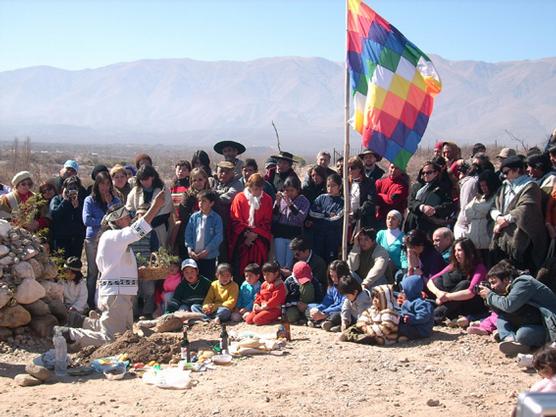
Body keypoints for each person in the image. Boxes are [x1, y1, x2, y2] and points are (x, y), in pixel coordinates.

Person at [61, 190, 167, 348]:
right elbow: (136, 231)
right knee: (114, 339)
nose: (129, 220)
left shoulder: (118, 242)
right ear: (115, 221)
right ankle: (69, 335)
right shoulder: (111, 237)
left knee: (124, 335)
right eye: (125, 218)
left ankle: (80, 321)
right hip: (117, 295)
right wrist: (155, 206)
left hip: (120, 295)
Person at [479, 260, 556, 356]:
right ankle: (510, 339)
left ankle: (518, 340)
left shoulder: (524, 283)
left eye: (494, 282)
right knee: (501, 318)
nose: (492, 287)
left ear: (506, 279)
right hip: (533, 320)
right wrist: (488, 299)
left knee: (523, 334)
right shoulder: (511, 287)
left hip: (548, 326)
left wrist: (490, 295)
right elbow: (502, 311)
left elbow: (509, 306)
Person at [490, 156, 548, 274]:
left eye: (506, 172)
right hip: (502, 240)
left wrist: (505, 220)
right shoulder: (504, 187)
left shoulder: (531, 186)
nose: (504, 175)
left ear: (516, 170)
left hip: (522, 241)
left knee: (522, 274)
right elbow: (493, 206)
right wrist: (498, 217)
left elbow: (526, 209)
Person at [426, 237, 487, 326]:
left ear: (468, 252)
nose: (456, 254)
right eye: (455, 251)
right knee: (438, 281)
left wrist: (446, 297)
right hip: (452, 303)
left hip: (470, 304)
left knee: (465, 284)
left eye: (459, 250)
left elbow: (470, 292)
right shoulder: (453, 266)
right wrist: (439, 293)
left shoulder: (479, 268)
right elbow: (430, 281)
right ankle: (441, 313)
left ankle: (436, 315)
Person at [82, 172, 121, 309]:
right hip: (93, 239)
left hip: (110, 240)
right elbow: (87, 220)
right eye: (102, 184)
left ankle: (106, 303)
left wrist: (110, 204)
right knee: (93, 272)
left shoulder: (115, 200)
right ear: (96, 185)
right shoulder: (89, 200)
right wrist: (104, 221)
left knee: (107, 272)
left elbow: (119, 218)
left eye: (107, 184)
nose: (105, 187)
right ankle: (89, 303)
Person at [228, 173, 273, 279]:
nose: (256, 192)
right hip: (242, 238)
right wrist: (246, 234)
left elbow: (267, 221)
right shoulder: (239, 198)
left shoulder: (267, 199)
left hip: (259, 238)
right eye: (253, 188)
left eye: (259, 189)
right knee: (241, 266)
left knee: (258, 263)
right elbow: (235, 219)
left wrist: (255, 233)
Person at [126, 165, 174, 251]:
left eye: (146, 179)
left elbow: (165, 214)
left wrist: (148, 224)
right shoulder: (135, 191)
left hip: (158, 228)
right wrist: (139, 222)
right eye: (141, 180)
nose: (144, 182)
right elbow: (129, 210)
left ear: (153, 177)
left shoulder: (164, 191)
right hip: (138, 229)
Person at [404, 161, 454, 237]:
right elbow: (410, 202)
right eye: (423, 173)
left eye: (428, 172)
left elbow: (449, 205)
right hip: (412, 223)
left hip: (430, 226)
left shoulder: (443, 188)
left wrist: (434, 210)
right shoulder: (417, 186)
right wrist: (421, 207)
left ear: (436, 173)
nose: (425, 175)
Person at [463, 169, 502, 263]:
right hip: (475, 242)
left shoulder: (498, 196)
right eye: (481, 186)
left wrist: (476, 208)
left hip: (488, 241)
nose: (484, 188)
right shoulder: (479, 197)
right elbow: (467, 211)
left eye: (485, 185)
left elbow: (488, 209)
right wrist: (480, 210)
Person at [184, 189, 223, 280]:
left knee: (208, 279)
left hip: (209, 256)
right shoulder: (194, 217)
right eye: (199, 201)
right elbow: (188, 234)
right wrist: (190, 249)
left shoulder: (216, 218)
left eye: (204, 201)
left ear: (211, 203)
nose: (200, 203)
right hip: (195, 255)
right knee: (194, 279)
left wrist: (207, 250)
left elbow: (218, 236)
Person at [272, 176, 310, 269]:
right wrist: (277, 203)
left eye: (292, 190)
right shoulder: (282, 199)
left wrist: (291, 205)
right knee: (279, 263)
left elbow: (300, 218)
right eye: (287, 190)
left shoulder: (304, 201)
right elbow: (275, 217)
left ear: (297, 190)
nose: (289, 193)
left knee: (289, 264)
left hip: (293, 236)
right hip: (280, 234)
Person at [175, 167, 211, 260]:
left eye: (200, 179)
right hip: (189, 234)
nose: (197, 182)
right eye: (194, 180)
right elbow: (183, 215)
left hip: (207, 236)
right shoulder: (187, 195)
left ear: (205, 180)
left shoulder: (211, 195)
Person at [308, 173, 344, 263]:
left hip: (332, 238)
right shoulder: (321, 198)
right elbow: (312, 213)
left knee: (331, 262)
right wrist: (326, 214)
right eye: (328, 186)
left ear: (339, 186)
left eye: (333, 186)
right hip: (318, 237)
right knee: (317, 261)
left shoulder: (343, 202)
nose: (330, 188)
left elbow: (336, 220)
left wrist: (320, 218)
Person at [306, 260, 349, 332]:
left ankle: (324, 322)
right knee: (310, 308)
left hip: (342, 311)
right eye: (332, 276)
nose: (334, 279)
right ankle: (322, 321)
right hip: (329, 310)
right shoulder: (332, 286)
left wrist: (325, 313)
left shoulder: (348, 285)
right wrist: (317, 310)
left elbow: (343, 306)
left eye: (337, 276)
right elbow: (326, 302)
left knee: (337, 315)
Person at [214, 160, 244, 261]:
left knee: (223, 252)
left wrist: (212, 196)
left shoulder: (237, 184)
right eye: (221, 171)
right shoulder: (213, 182)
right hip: (211, 222)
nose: (223, 174)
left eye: (227, 172)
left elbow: (228, 197)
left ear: (232, 173)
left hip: (227, 225)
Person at [50, 176, 86, 258]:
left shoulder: (81, 202)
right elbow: (54, 215)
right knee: (61, 266)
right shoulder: (57, 199)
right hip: (61, 239)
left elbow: (83, 220)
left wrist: (77, 208)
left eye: (74, 188)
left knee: (74, 266)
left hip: (76, 240)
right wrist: (65, 201)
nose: (72, 190)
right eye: (69, 188)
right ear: (64, 188)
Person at [245, 261, 286, 325]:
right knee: (248, 320)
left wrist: (264, 307)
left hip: (274, 308)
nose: (265, 277)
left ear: (276, 274)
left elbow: (276, 299)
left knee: (257, 320)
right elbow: (259, 295)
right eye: (264, 274)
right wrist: (256, 303)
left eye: (268, 274)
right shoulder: (264, 284)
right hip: (263, 307)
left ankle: (273, 319)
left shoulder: (279, 285)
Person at [398, 275, 434, 340]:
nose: (402, 292)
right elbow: (403, 312)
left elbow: (424, 317)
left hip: (421, 329)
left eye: (404, 290)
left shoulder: (421, 303)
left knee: (401, 329)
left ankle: (400, 337)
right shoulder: (407, 301)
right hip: (411, 324)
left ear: (411, 289)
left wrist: (412, 319)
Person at [347, 156, 377, 230]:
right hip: (347, 220)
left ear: (359, 168)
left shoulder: (369, 182)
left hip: (363, 220)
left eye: (353, 168)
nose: (350, 170)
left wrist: (356, 214)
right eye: (348, 168)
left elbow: (370, 202)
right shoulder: (346, 183)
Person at [375, 163, 409, 229]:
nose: (393, 170)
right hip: (380, 218)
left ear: (401, 170)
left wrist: (379, 195)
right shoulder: (380, 182)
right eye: (392, 167)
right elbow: (374, 198)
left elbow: (392, 200)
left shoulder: (403, 185)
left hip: (395, 220)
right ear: (389, 168)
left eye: (397, 168)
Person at [376, 210, 405, 274]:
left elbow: (404, 257)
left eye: (393, 219)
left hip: (397, 270)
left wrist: (404, 269)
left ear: (399, 222)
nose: (390, 221)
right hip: (379, 266)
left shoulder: (403, 237)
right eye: (388, 218)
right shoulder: (381, 234)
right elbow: (374, 249)